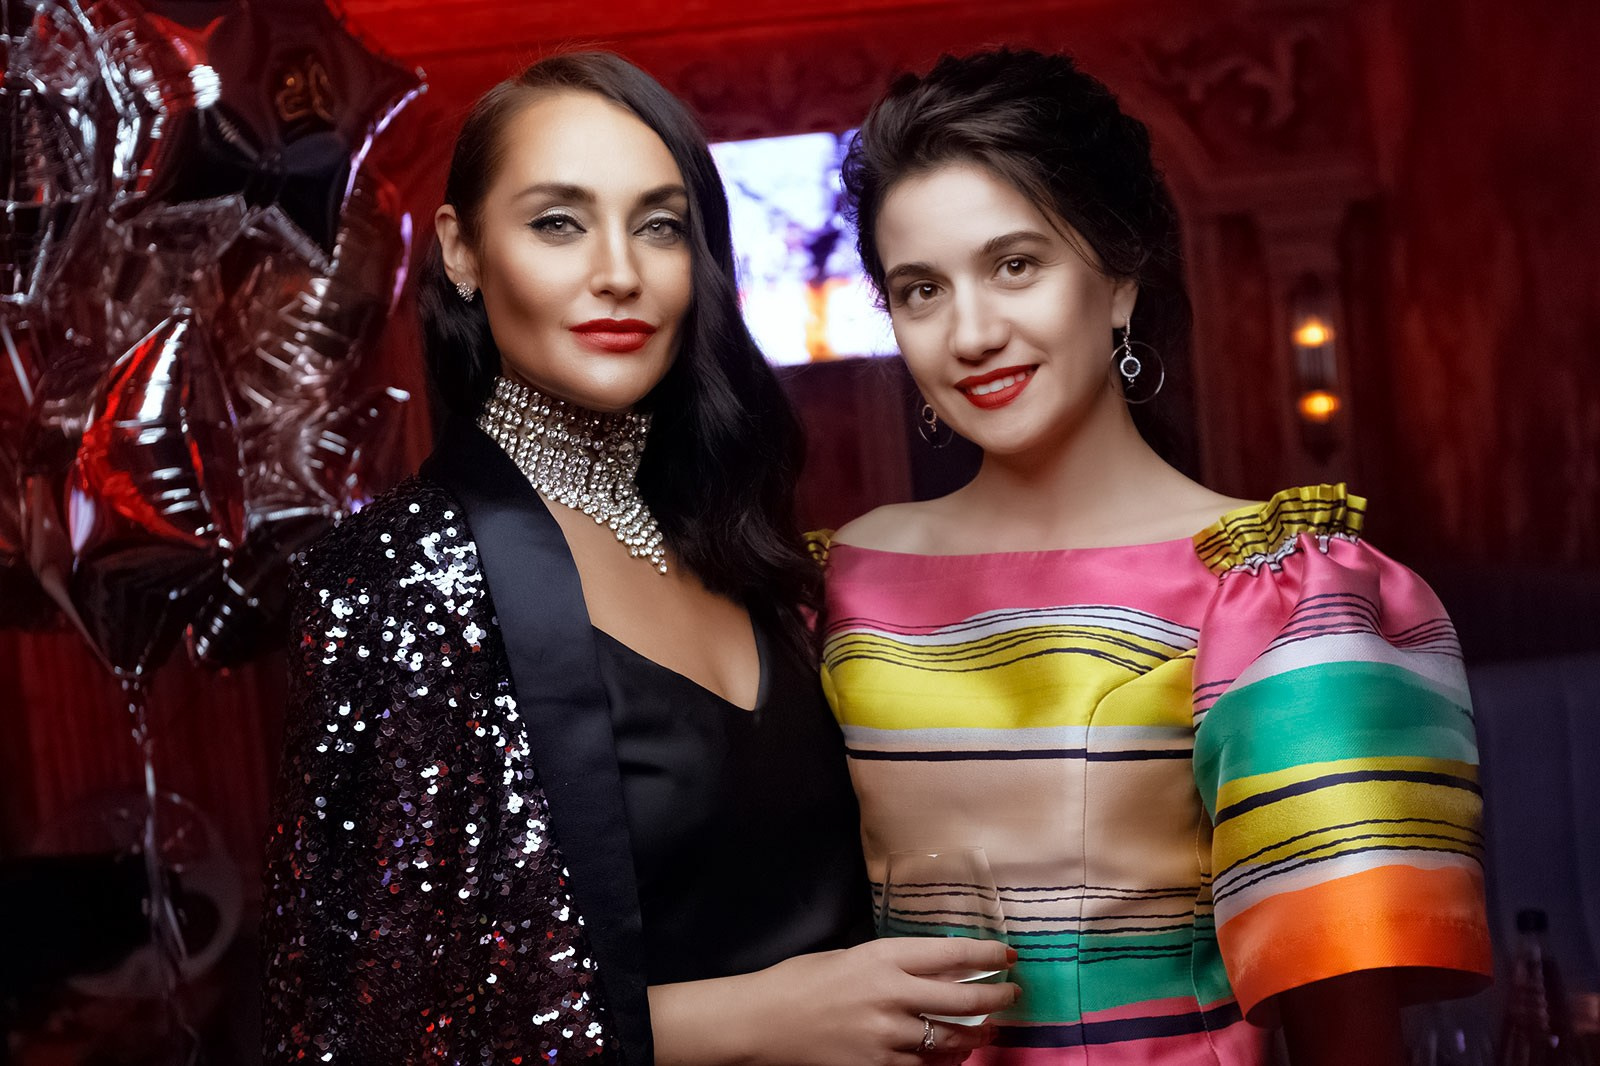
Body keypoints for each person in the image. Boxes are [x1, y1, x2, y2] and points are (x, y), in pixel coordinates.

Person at [260, 52, 1014, 1066]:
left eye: (659, 225)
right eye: (557, 222)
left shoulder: (734, 538)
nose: (618, 271)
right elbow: (374, 1032)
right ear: (463, 251)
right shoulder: (399, 580)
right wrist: (763, 1018)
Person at [818, 48, 1492, 1066]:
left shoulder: (1275, 588)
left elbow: (1347, 1029)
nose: (971, 332)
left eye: (1016, 265)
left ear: (1120, 280)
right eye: (921, 289)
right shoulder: (838, 585)